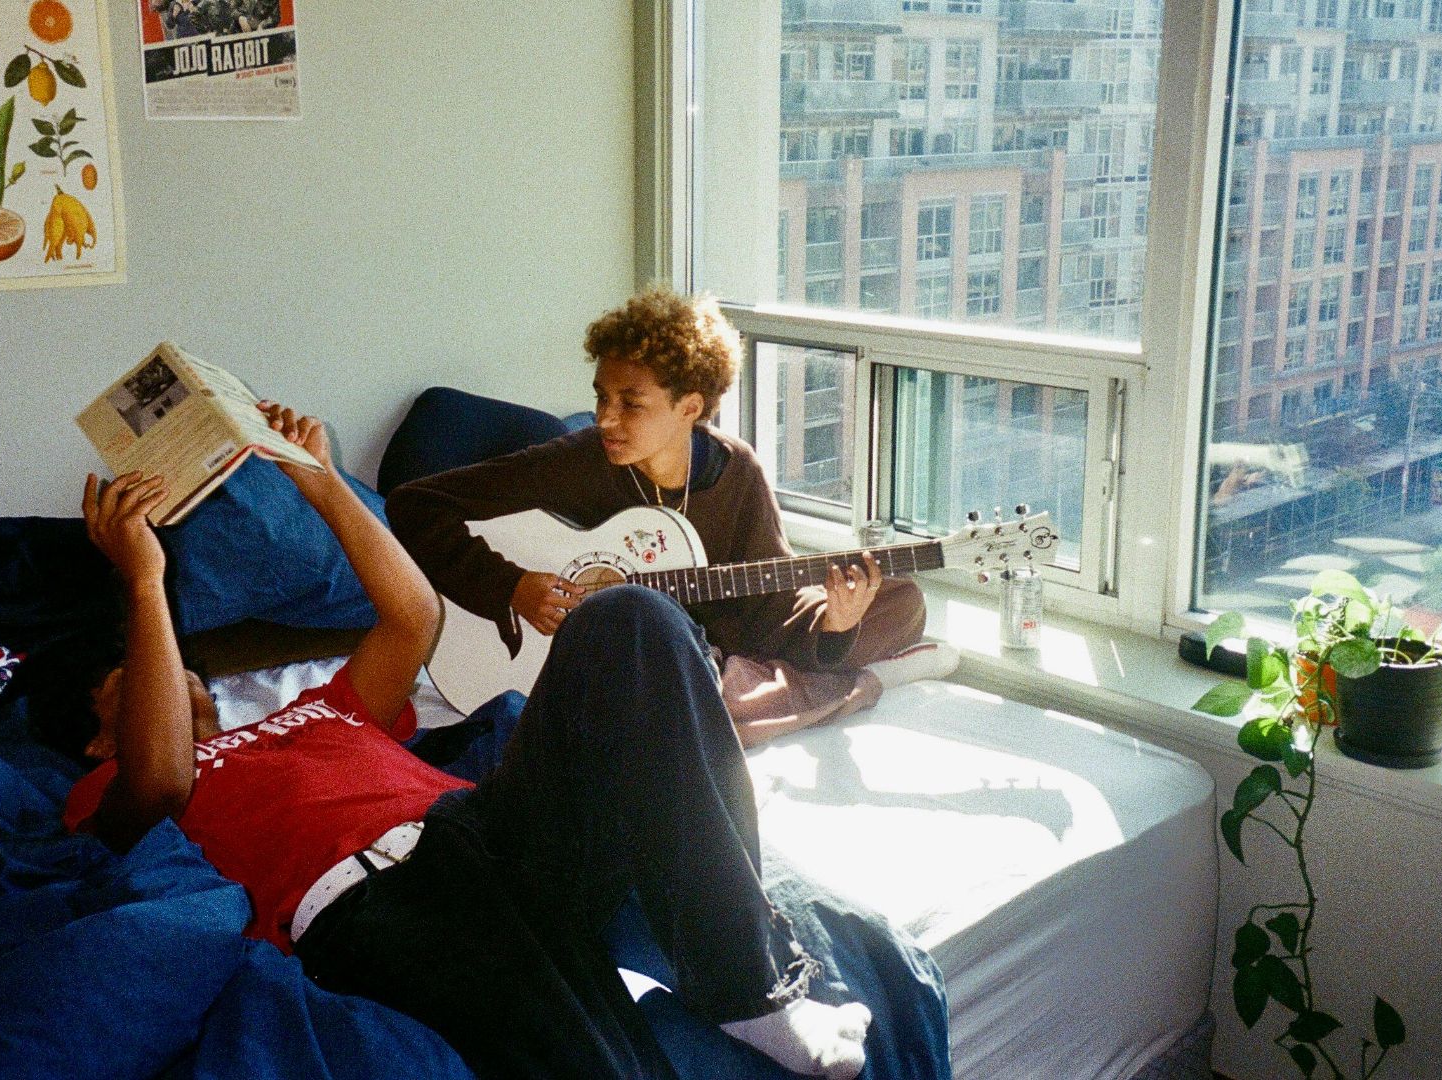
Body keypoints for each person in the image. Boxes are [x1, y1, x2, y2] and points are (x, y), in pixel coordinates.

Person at [63, 401, 876, 1080]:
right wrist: (144, 580)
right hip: (379, 905)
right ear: (101, 741)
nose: (171, 672)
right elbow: (160, 777)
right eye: (131, 677)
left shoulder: (316, 710)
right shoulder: (111, 792)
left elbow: (413, 616)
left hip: (490, 831)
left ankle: (749, 990)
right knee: (589, 1057)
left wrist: (319, 481)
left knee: (631, 617)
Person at [386, 286, 951, 746]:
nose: (605, 419)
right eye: (601, 396)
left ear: (690, 407)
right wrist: (511, 586)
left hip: (712, 646)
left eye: (630, 403)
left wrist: (837, 623)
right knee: (680, 714)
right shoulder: (578, 461)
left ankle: (817, 673)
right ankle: (856, 683)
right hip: (630, 660)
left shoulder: (735, 472)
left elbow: (770, 606)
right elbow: (415, 504)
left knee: (901, 601)